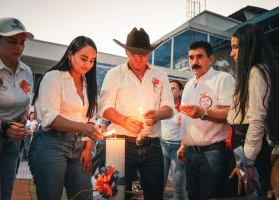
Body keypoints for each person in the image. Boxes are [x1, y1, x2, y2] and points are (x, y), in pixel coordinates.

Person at [99, 27, 174, 200]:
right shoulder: (114, 74)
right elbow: (105, 106)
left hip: (152, 145)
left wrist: (158, 114)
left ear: (149, 52)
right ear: (126, 51)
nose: (139, 58)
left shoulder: (160, 74)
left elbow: (169, 107)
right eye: (134, 54)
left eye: (144, 54)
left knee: (154, 193)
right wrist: (124, 120)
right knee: (115, 194)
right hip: (120, 143)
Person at [28, 36, 103, 200]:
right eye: (83, 59)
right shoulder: (54, 77)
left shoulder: (87, 83)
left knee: (83, 196)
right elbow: (51, 118)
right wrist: (84, 128)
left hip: (79, 147)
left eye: (92, 61)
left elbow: (91, 117)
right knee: (50, 195)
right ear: (70, 54)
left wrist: (88, 148)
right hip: (51, 144)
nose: (87, 64)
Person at [226, 23, 279, 198]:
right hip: (242, 143)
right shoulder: (254, 71)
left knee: (243, 193)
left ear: (249, 46)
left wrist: (247, 163)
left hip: (246, 145)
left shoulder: (257, 72)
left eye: (236, 47)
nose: (231, 53)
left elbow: (257, 120)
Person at [177, 40, 235, 200]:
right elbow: (187, 117)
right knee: (193, 196)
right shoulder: (189, 84)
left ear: (211, 58)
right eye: (191, 58)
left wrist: (203, 112)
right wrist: (183, 144)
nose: (194, 62)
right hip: (191, 153)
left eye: (199, 57)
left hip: (213, 152)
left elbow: (230, 114)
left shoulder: (223, 79)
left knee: (210, 197)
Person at [0, 17, 34, 200]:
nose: (19, 47)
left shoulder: (27, 71)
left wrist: (22, 119)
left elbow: (25, 102)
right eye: (12, 41)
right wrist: (4, 126)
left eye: (22, 42)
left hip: (13, 138)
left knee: (6, 193)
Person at [161, 80, 186, 200]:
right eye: (168, 88)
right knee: (159, 184)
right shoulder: (163, 105)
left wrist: (183, 146)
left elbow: (188, 129)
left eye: (173, 88)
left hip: (178, 148)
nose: (170, 90)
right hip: (163, 146)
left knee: (178, 187)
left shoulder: (185, 108)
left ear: (181, 91)